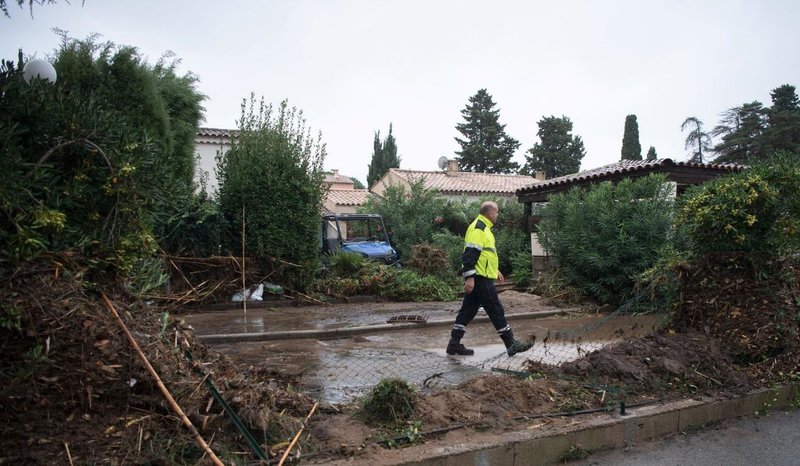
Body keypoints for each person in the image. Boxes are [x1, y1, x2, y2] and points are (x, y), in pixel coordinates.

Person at [446, 201, 533, 357]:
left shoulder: (483, 228)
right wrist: (470, 277)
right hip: (480, 279)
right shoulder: (479, 228)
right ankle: (511, 344)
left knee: (467, 311)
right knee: (496, 310)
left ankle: (454, 344)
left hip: (482, 275)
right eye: (497, 212)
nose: (498, 215)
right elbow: (469, 255)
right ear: (491, 213)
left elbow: (484, 254)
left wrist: (495, 270)